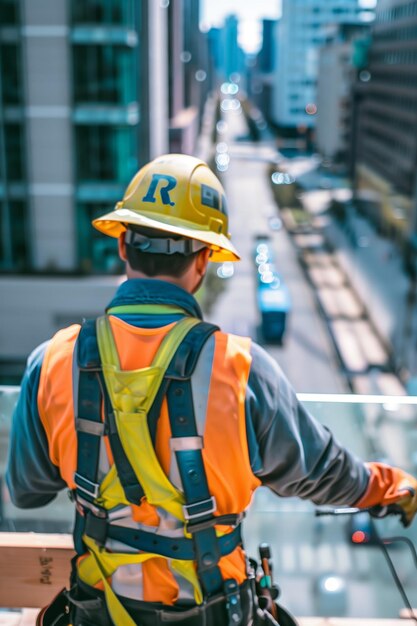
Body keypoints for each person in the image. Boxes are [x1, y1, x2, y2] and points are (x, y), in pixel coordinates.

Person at [6, 153, 417, 626]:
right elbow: (320, 471)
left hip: (98, 613)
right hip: (213, 612)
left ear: (122, 244)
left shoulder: (52, 361)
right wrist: (391, 488)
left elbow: (27, 492)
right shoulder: (241, 368)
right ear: (203, 259)